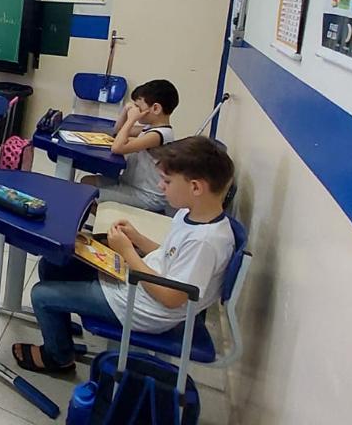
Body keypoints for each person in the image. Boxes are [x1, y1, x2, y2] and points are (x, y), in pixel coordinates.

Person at [14, 137, 236, 374]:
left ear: (196, 187)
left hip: (143, 309)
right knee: (52, 266)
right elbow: (168, 255)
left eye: (167, 181)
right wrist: (136, 238)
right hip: (139, 284)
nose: (161, 186)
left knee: (41, 295)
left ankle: (58, 357)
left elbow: (172, 298)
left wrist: (128, 252)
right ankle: (60, 330)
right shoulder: (190, 214)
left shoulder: (205, 243)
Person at [83, 79, 179, 213]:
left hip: (146, 195)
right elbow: (118, 131)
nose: (136, 111)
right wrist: (125, 111)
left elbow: (117, 148)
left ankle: (110, 222)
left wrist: (132, 119)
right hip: (129, 183)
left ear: (156, 108)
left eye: (139, 107)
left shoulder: (159, 135)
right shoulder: (150, 128)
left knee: (87, 197)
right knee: (86, 182)